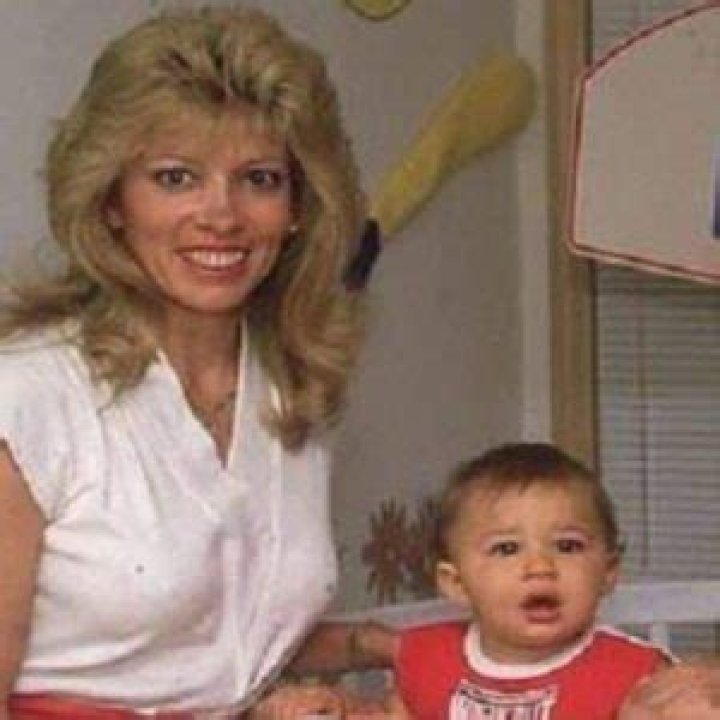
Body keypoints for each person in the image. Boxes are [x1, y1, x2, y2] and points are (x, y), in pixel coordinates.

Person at [0, 6, 390, 719]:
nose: (222, 216)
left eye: (259, 179)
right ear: (111, 201)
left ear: (299, 207)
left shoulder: (291, 385)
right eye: (176, 178)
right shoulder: (26, 396)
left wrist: (395, 651)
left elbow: (209, 643)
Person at [391, 442, 671, 719]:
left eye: (568, 546)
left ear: (608, 572)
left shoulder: (639, 676)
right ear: (457, 583)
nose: (540, 567)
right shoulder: (425, 657)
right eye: (507, 549)